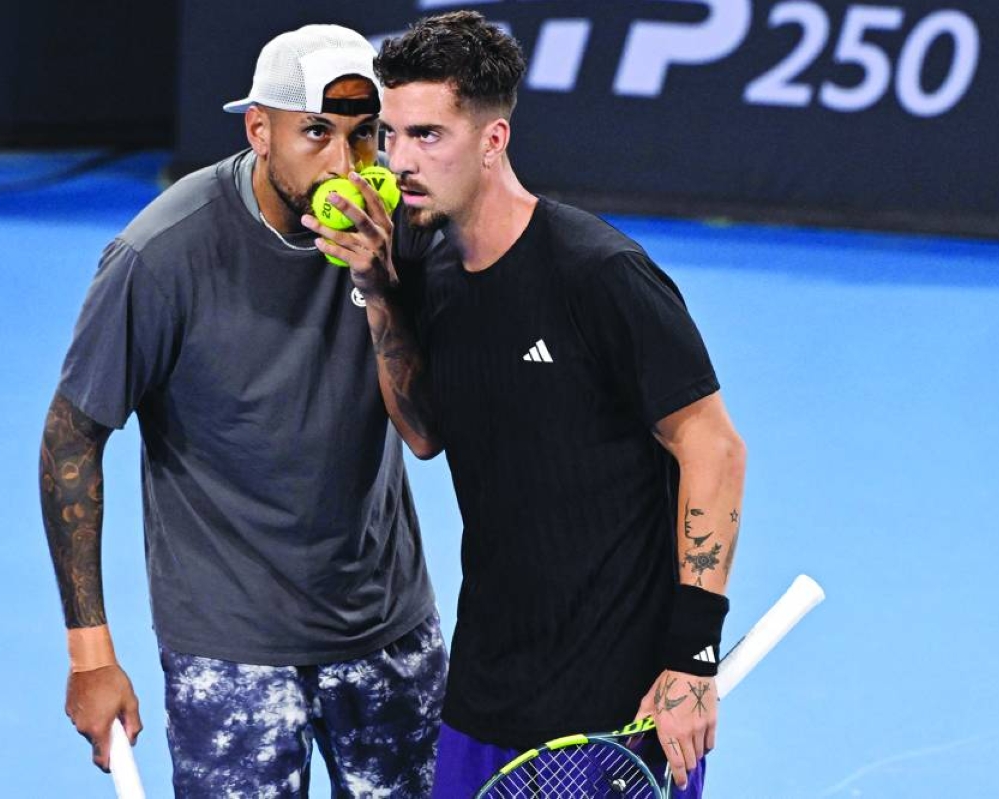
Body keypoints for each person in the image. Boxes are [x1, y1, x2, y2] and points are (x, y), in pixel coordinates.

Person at [302, 10, 746, 796]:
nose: (399, 161)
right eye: (392, 134)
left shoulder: (600, 274)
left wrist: (692, 659)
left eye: (428, 136)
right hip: (487, 685)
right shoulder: (427, 270)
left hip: (617, 703)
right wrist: (376, 290)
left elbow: (712, 447)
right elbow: (425, 433)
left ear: (493, 139)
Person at [38, 24, 446, 798]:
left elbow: (426, 432)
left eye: (367, 138)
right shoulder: (160, 255)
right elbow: (71, 437)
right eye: (316, 134)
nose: (346, 166)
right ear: (259, 129)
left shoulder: (403, 232)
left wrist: (381, 282)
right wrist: (90, 655)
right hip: (229, 647)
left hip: (385, 626)